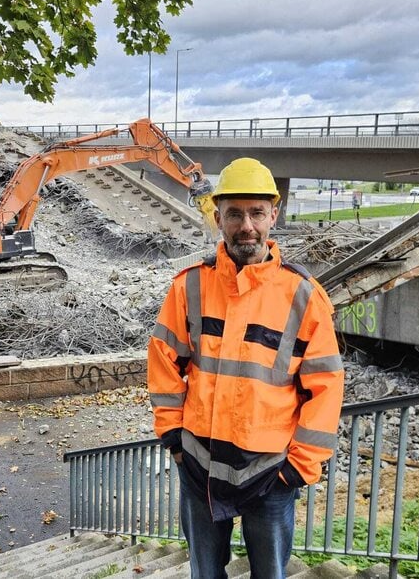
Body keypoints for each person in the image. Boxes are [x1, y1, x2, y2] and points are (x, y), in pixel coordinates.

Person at [147, 157, 345, 579]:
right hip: (200, 464)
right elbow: (164, 361)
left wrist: (300, 466)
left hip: (271, 473)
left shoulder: (303, 296)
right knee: (205, 571)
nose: (247, 226)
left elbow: (325, 386)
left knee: (268, 574)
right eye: (235, 214)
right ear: (218, 217)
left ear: (274, 214)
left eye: (256, 212)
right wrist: (174, 438)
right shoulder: (191, 287)